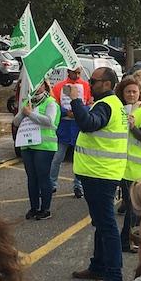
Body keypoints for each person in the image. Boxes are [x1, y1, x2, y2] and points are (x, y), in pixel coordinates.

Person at [68, 67, 127, 281]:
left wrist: (76, 101)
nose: (89, 84)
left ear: (107, 84)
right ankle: (98, 266)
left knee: (107, 225)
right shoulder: (110, 104)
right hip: (100, 172)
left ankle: (113, 275)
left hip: (101, 173)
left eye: (93, 81)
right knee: (100, 223)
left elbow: (89, 124)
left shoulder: (106, 105)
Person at [118, 76, 141, 254]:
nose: (131, 95)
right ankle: (127, 241)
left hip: (138, 171)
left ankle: (127, 240)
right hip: (124, 168)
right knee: (132, 209)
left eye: (134, 91)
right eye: (128, 92)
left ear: (140, 93)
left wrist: (133, 128)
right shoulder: (122, 111)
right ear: (122, 94)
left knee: (134, 210)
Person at [14, 81, 60, 221]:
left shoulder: (50, 102)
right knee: (31, 178)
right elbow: (16, 122)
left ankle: (45, 209)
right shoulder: (27, 102)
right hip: (28, 145)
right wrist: (23, 112)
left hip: (44, 146)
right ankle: (34, 207)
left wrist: (30, 114)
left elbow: (49, 121)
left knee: (43, 177)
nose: (36, 87)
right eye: (34, 84)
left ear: (45, 86)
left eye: (40, 84)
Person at [50, 66, 91, 199]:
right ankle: (52, 184)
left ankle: (78, 186)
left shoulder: (86, 86)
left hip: (78, 126)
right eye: (75, 73)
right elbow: (54, 104)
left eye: (79, 73)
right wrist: (65, 112)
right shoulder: (58, 87)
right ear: (68, 72)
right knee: (58, 157)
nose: (78, 75)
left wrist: (80, 111)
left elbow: (90, 104)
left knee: (78, 159)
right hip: (64, 126)